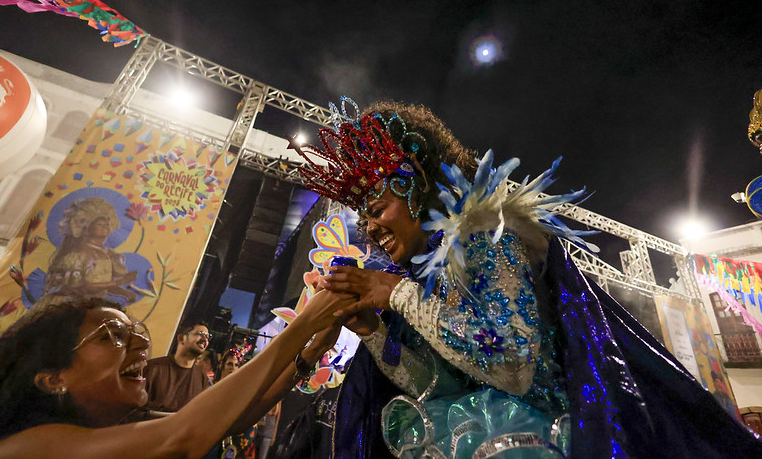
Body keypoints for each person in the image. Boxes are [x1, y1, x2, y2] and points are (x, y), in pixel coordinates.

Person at [294, 97, 762, 458]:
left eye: (376, 209)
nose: (370, 227)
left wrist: (396, 292)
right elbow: (442, 389)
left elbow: (513, 367)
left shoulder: (485, 238)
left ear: (417, 185)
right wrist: (375, 334)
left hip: (541, 435)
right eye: (364, 216)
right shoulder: (417, 273)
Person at [0, 290, 355, 458]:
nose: (140, 346)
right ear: (52, 377)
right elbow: (182, 437)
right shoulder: (30, 446)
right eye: (115, 336)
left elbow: (232, 420)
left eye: (136, 334)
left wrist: (313, 350)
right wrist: (302, 324)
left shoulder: (105, 423)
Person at [46, 197, 137, 304]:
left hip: (94, 305)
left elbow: (104, 285)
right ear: (88, 228)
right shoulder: (78, 254)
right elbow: (83, 287)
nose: (105, 227)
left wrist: (125, 293)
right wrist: (119, 282)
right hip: (72, 306)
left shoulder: (109, 254)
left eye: (107, 224)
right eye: (99, 224)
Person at [144, 321, 211, 412]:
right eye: (200, 334)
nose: (205, 339)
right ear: (181, 338)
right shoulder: (152, 368)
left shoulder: (202, 378)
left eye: (208, 337)